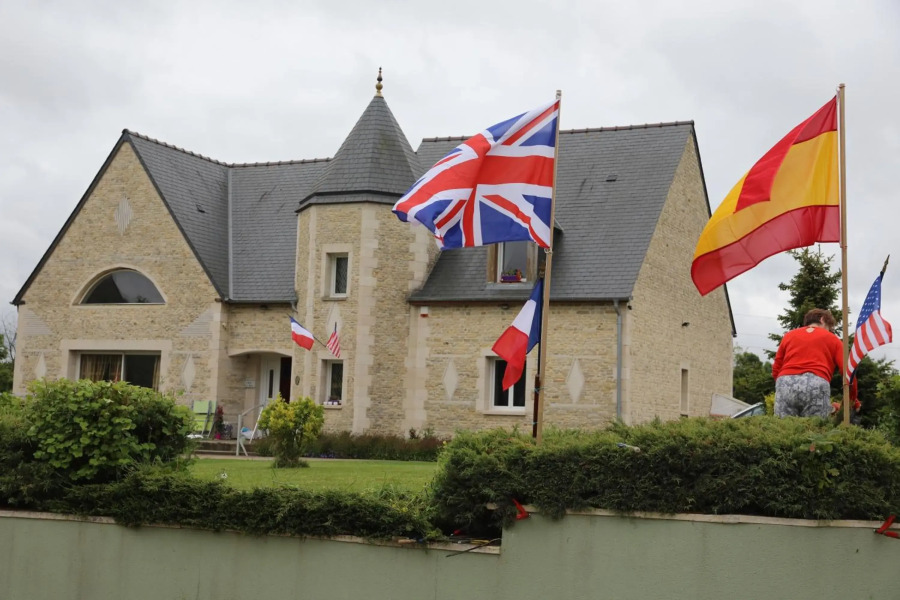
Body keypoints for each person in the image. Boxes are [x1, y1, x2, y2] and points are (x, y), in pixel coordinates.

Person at [772, 308, 856, 418]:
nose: (829, 331)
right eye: (829, 327)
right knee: (815, 431)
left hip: (785, 382)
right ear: (822, 320)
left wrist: (784, 386)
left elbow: (776, 368)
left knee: (783, 429)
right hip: (817, 383)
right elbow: (848, 372)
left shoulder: (788, 335)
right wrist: (853, 400)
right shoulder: (833, 339)